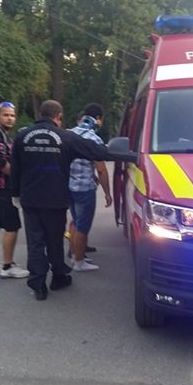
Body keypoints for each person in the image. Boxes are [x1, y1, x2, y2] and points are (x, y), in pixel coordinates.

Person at [10, 100, 112, 301]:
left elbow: (15, 169)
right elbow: (97, 152)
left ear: (41, 114)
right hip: (55, 199)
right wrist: (130, 156)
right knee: (54, 240)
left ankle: (38, 285)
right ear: (58, 116)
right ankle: (58, 277)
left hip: (30, 199)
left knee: (35, 242)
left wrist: (15, 194)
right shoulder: (65, 137)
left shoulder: (22, 136)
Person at [0, 101, 29, 279]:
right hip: (0, 187)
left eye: (12, 115)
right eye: (6, 115)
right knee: (12, 226)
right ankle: (7, 266)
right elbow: (1, 162)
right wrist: (19, 178)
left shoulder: (0, 133)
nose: (10, 118)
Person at [68, 105, 112, 271]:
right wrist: (107, 193)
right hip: (85, 189)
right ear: (98, 119)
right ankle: (79, 262)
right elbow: (101, 169)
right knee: (82, 227)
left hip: (69, 187)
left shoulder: (69, 134)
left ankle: (74, 256)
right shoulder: (94, 139)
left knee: (75, 222)